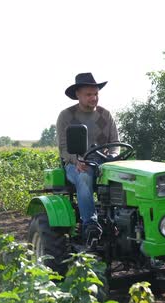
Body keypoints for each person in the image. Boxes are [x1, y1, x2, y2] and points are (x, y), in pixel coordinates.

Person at [56, 72, 120, 245]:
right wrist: (76, 160)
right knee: (84, 176)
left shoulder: (105, 115)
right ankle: (90, 225)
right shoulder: (66, 116)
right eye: (89, 94)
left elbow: (115, 142)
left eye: (96, 94)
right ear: (78, 95)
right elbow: (63, 148)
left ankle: (122, 223)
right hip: (76, 164)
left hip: (102, 163)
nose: (94, 98)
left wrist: (113, 155)